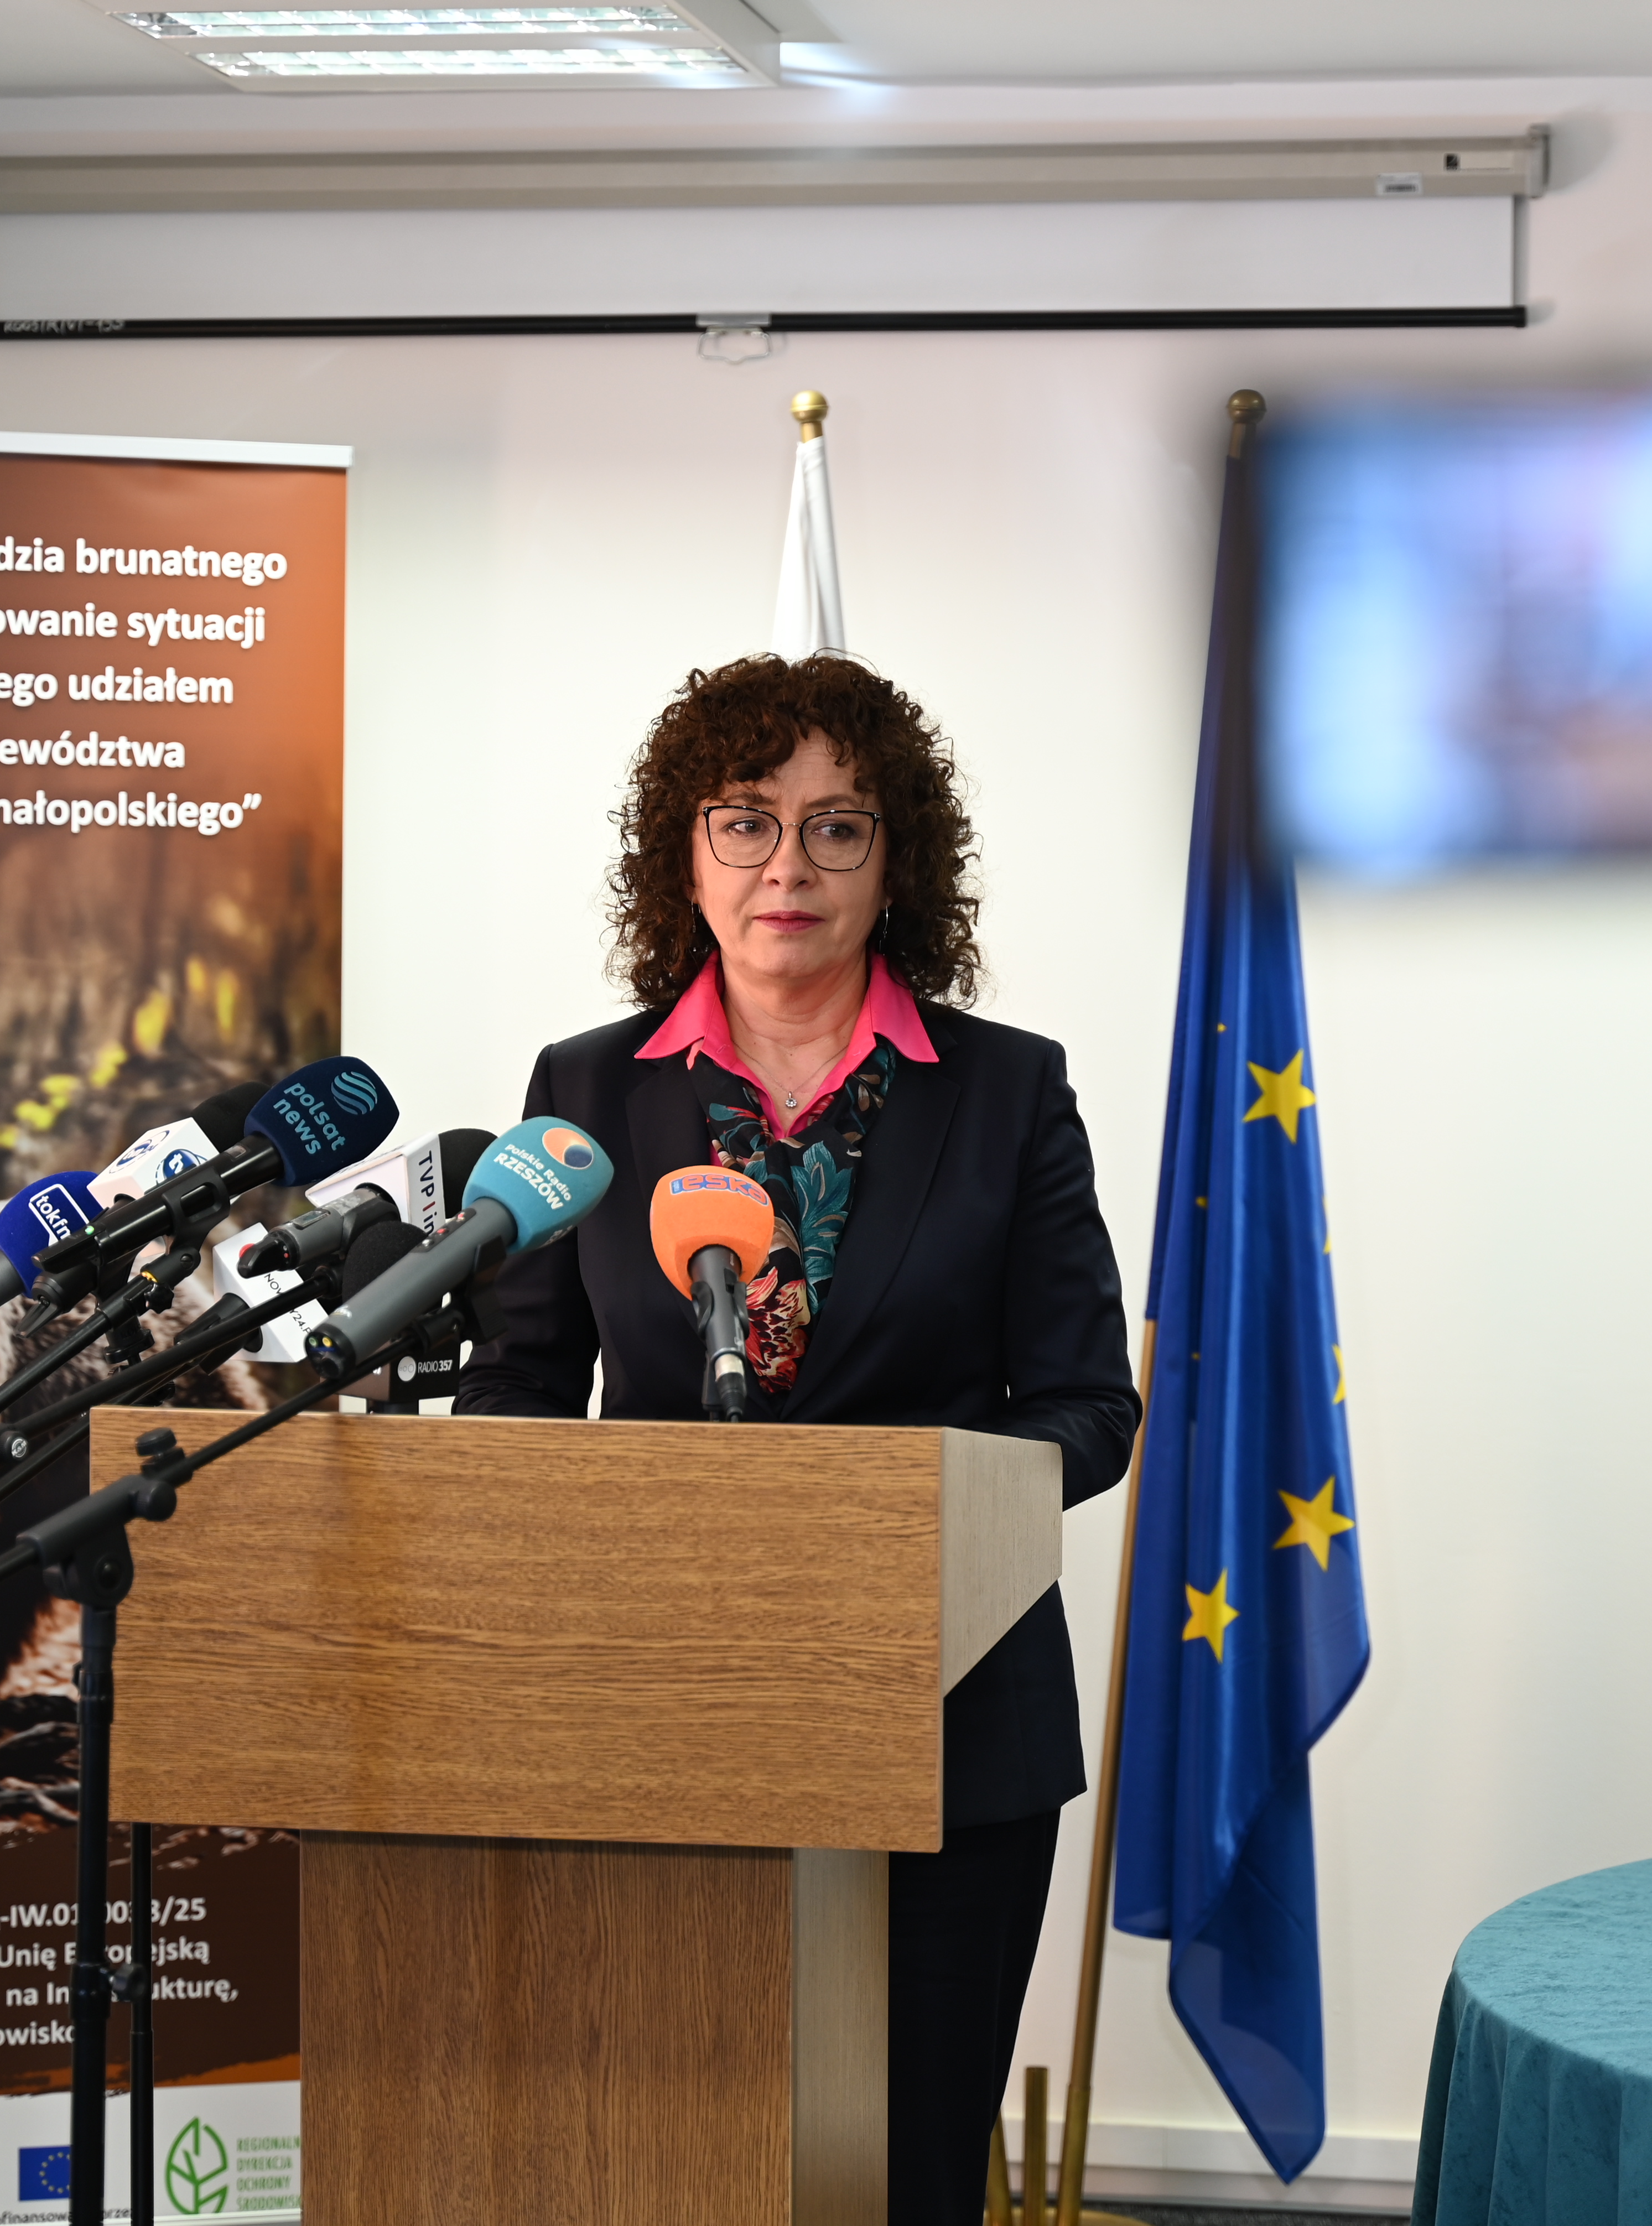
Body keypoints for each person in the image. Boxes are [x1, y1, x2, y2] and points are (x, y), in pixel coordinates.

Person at [456, 653, 1139, 2226]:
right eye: (746, 821)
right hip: (654, 1711)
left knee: (905, 2177)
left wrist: (902, 1516)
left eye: (839, 827)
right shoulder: (584, 1090)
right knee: (664, 2166)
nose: (789, 867)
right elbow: (518, 1389)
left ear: (898, 864)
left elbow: (1089, 1405)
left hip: (949, 1717)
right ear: (685, 857)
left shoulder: (1008, 1091)